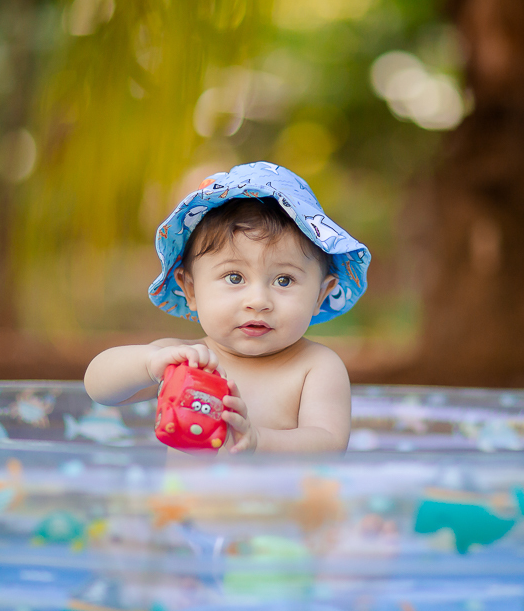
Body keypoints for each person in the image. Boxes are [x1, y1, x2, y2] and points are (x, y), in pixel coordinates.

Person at [84, 162, 370, 453]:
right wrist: (147, 364)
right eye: (235, 277)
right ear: (191, 289)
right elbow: (97, 387)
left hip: (277, 501)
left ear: (321, 295)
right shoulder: (186, 360)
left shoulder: (316, 367)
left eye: (284, 280)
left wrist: (260, 441)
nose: (258, 301)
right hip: (184, 500)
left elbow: (329, 443)